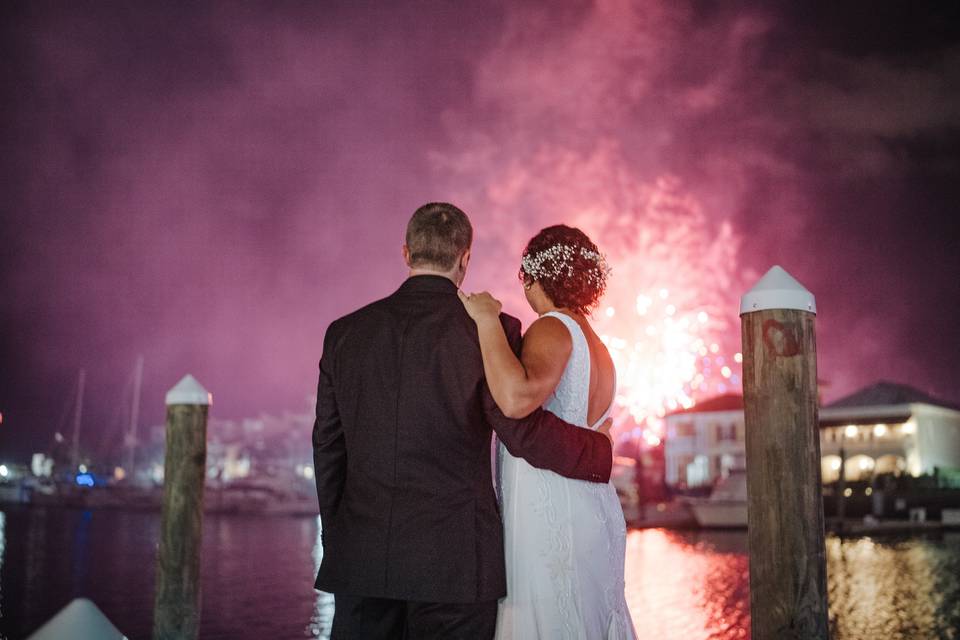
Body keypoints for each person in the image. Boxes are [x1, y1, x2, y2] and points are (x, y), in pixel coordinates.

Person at [312, 203, 614, 639]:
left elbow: (327, 446)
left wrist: (344, 539)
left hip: (361, 559)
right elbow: (521, 429)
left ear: (406, 253)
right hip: (454, 565)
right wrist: (597, 450)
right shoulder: (489, 330)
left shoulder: (344, 333)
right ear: (465, 258)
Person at [460, 224, 637, 639]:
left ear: (535, 276)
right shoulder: (600, 347)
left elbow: (517, 399)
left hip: (554, 512)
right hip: (593, 507)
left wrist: (486, 320)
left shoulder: (553, 327)